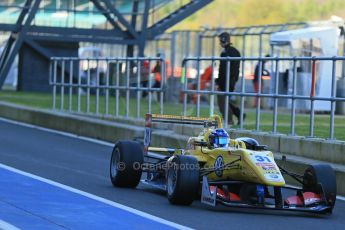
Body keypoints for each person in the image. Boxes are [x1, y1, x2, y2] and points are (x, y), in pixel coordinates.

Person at [216, 32, 245, 125]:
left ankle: (230, 120)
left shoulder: (227, 53)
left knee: (223, 101)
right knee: (225, 100)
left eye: (221, 40)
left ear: (223, 40)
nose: (220, 43)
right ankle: (238, 114)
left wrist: (219, 81)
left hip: (226, 81)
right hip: (230, 80)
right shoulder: (233, 51)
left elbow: (224, 70)